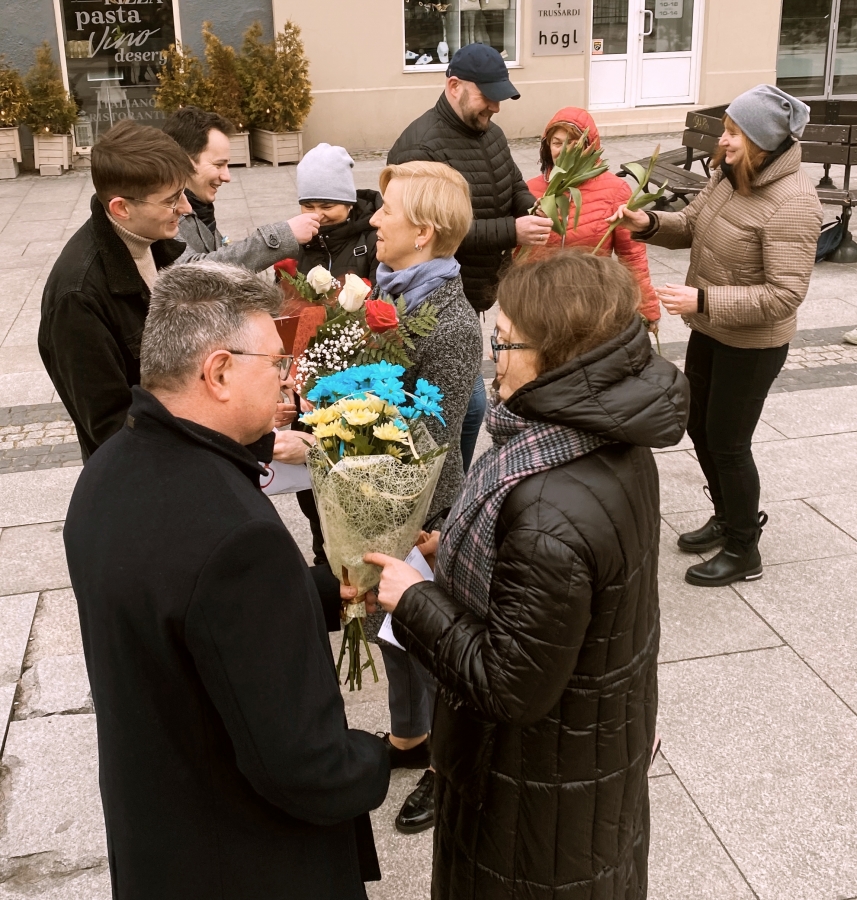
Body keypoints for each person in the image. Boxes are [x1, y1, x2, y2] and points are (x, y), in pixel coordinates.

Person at [349, 250, 689, 899]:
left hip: (534, 802)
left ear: (558, 356)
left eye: (504, 342)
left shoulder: (544, 500)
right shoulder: (601, 436)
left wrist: (414, 600)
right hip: (591, 753)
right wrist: (454, 550)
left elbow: (509, 686)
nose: (493, 357)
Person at [63, 260, 390, 900]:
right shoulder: (237, 536)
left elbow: (181, 605)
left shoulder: (108, 470)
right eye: (276, 362)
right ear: (218, 372)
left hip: (159, 838)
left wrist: (323, 592)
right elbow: (303, 766)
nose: (288, 378)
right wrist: (375, 757)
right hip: (247, 861)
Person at [612, 84, 822, 587]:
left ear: (761, 140)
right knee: (700, 427)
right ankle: (727, 517)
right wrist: (647, 222)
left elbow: (785, 295)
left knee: (729, 443)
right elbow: (691, 224)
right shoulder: (730, 176)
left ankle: (744, 549)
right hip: (710, 329)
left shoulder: (794, 202)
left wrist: (704, 300)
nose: (722, 141)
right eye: (725, 129)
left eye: (733, 132)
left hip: (752, 345)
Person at [366, 159, 483, 836]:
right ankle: (409, 737)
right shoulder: (391, 292)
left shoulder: (451, 322)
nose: (373, 219)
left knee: (431, 643)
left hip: (424, 509)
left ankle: (449, 766)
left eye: (388, 211)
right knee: (387, 631)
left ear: (424, 232)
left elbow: (434, 434)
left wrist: (351, 424)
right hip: (378, 494)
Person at [387, 43, 551, 472]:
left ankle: (448, 484)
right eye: (488, 96)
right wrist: (511, 230)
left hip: (472, 293)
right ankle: (442, 489)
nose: (495, 107)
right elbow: (431, 234)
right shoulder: (420, 147)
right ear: (454, 86)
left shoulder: (490, 133)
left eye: (501, 96)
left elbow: (513, 183)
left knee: (467, 408)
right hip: (434, 303)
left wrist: (530, 207)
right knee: (460, 409)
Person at [39, 121, 194, 461]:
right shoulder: (77, 298)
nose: (186, 208)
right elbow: (112, 426)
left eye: (183, 193)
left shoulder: (152, 241)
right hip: (150, 471)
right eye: (171, 200)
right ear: (121, 208)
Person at [527, 107, 660, 330]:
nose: (564, 151)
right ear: (546, 146)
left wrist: (646, 309)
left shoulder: (615, 190)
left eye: (574, 143)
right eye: (557, 143)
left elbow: (632, 255)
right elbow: (519, 259)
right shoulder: (529, 191)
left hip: (591, 306)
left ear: (590, 146)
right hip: (541, 307)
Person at [162, 106, 320, 269]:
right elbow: (190, 271)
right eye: (218, 165)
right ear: (184, 161)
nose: (227, 176)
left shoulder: (201, 208)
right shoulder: (163, 213)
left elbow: (218, 258)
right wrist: (282, 236)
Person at [294, 142, 383, 282]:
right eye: (308, 207)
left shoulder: (375, 240)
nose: (317, 216)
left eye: (327, 207)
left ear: (349, 204)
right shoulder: (294, 241)